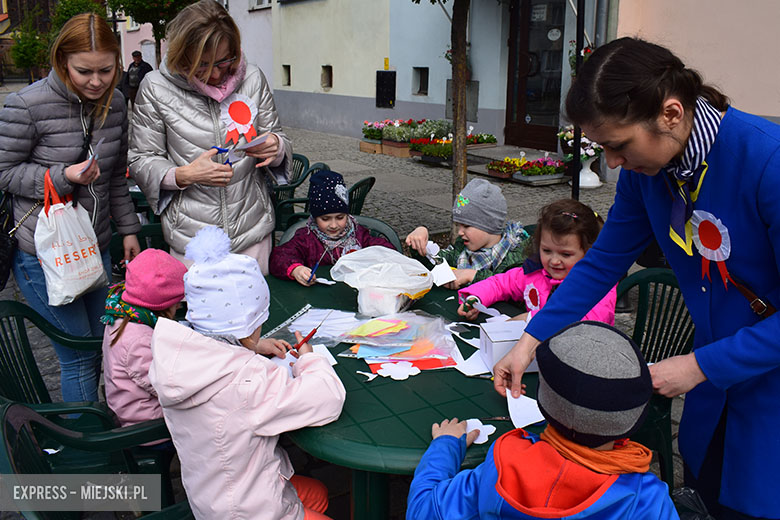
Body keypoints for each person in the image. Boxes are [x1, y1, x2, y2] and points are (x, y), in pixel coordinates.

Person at [493, 37, 780, 520]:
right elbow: (603, 264)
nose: (611, 162)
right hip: (715, 396)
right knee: (708, 492)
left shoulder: (767, 163)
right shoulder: (648, 172)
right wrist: (529, 340)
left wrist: (697, 366)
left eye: (617, 145)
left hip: (764, 391)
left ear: (670, 113)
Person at [149, 226, 345, 519]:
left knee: (315, 493)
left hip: (212, 497)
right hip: (252, 510)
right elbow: (327, 398)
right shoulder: (248, 380)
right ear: (247, 322)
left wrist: (251, 346)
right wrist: (308, 360)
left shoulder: (176, 353)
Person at [0, 13, 141, 402]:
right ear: (62, 62)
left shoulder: (115, 104)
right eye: (84, 71)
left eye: (106, 70)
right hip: (40, 254)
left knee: (100, 346)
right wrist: (63, 177)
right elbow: (4, 172)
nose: (96, 82)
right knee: (78, 356)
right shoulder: (26, 105)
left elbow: (114, 177)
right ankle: (86, 446)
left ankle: (96, 425)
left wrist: (129, 229)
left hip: (93, 246)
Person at [407, 321, 678, 519]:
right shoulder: (647, 499)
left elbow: (424, 510)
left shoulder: (503, 466)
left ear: (543, 401)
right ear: (634, 417)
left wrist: (445, 446)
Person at [129, 0, 292, 275]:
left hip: (252, 231)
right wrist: (183, 175)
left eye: (224, 61)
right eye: (202, 65)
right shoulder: (155, 88)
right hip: (193, 240)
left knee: (258, 315)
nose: (216, 74)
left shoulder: (252, 78)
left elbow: (277, 137)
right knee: (202, 315)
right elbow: (142, 159)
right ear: (183, 55)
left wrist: (276, 147)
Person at [457, 199, 615, 325]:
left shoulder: (597, 285)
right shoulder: (535, 273)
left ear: (588, 252)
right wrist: (476, 298)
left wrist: (531, 319)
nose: (554, 261)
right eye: (546, 251)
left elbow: (588, 324)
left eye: (565, 254)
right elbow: (501, 283)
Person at [101, 249, 187, 434]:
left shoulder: (123, 313)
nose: (179, 305)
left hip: (135, 409)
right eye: (176, 302)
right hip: (144, 424)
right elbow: (165, 388)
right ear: (160, 305)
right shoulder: (138, 340)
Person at [269, 170, 395, 285]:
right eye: (325, 219)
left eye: (340, 217)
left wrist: (386, 259)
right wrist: (296, 269)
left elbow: (384, 249)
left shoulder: (358, 234)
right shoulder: (306, 238)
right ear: (315, 217)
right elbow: (279, 257)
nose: (334, 225)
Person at [405, 178, 530, 289]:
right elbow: (435, 263)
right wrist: (419, 242)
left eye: (466, 226)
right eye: (458, 225)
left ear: (488, 224)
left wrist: (472, 276)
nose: (459, 232)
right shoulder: (461, 250)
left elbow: (514, 286)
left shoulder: (516, 256)